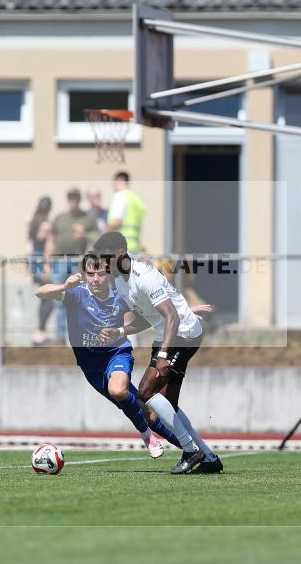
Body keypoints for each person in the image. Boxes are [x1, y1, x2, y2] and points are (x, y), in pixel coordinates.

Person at [34, 252, 185, 459]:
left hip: (117, 353)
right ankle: (191, 448)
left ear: (109, 275)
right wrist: (64, 287)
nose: (95, 279)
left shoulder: (120, 296)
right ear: (84, 275)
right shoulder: (77, 294)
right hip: (91, 367)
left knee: (118, 390)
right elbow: (40, 292)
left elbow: (151, 314)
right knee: (146, 412)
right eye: (90, 274)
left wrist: (188, 311)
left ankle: (147, 436)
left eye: (100, 274)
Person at [94, 231, 222, 474]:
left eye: (106, 258)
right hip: (167, 334)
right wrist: (120, 330)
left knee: (145, 391)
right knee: (168, 404)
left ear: (120, 254)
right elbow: (147, 318)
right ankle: (208, 457)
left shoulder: (145, 276)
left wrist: (162, 355)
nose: (103, 264)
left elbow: (172, 316)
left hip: (182, 334)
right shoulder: (121, 282)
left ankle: (189, 450)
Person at [44, 188, 99, 344]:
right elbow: (51, 240)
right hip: (59, 263)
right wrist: (47, 263)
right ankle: (60, 337)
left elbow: (97, 236)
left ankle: (80, 337)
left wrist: (84, 235)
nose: (73, 201)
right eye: (70, 198)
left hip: (78, 263)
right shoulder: (60, 218)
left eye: (75, 198)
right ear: (67, 199)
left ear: (79, 200)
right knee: (59, 298)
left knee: (79, 299)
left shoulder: (87, 218)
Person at [28, 196, 53, 346]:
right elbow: (47, 246)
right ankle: (40, 331)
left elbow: (29, 246)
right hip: (41, 260)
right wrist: (46, 265)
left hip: (34, 260)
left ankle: (41, 331)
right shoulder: (45, 224)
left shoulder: (32, 222)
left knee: (46, 295)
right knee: (48, 296)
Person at [107, 171, 146, 258]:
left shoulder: (120, 196)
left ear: (118, 181)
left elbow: (116, 222)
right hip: (135, 247)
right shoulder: (136, 200)